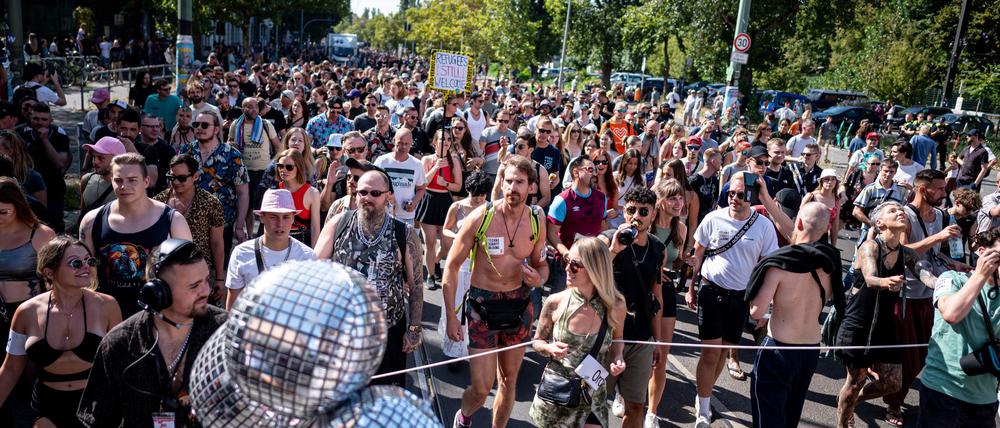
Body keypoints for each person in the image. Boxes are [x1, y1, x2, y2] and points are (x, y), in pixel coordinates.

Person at [444, 155, 548, 428]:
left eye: (520, 182)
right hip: (482, 304)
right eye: (508, 181)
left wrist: (538, 278)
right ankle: (464, 415)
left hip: (519, 304)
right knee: (481, 388)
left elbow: (542, 265)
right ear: (501, 183)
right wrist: (453, 318)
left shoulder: (537, 220)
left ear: (531, 187)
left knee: (509, 380)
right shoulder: (481, 216)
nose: (513, 187)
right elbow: (451, 268)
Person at [76, 239, 227, 427]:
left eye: (207, 280)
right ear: (157, 291)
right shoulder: (119, 343)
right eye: (194, 286)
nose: (206, 290)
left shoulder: (227, 333)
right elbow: (97, 420)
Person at [686, 173, 779, 427]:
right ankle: (703, 408)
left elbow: (767, 267)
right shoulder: (713, 219)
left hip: (739, 299)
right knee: (709, 354)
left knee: (722, 352)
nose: (735, 199)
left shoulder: (764, 226)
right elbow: (699, 254)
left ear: (752, 196)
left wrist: (761, 304)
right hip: (711, 292)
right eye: (730, 194)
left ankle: (703, 392)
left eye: (740, 194)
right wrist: (691, 288)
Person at [315, 169, 424, 387]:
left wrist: (413, 328)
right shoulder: (339, 223)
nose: (367, 198)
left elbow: (417, 284)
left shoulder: (404, 233)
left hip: (388, 332)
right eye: (362, 192)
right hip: (344, 331)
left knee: (384, 397)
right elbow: (314, 271)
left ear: (388, 196)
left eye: (375, 193)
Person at [0, 236, 122, 428]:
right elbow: (10, 369)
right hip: (47, 407)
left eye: (89, 261)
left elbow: (120, 363)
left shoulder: (106, 305)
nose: (86, 267)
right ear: (49, 272)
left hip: (95, 404)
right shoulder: (27, 312)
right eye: (75, 263)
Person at [880, 169, 967, 426]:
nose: (944, 193)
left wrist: (954, 263)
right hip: (907, 294)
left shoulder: (939, 214)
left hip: (932, 294)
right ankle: (893, 404)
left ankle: (893, 392)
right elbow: (905, 251)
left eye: (944, 188)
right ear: (922, 189)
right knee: (908, 354)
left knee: (923, 352)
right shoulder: (904, 215)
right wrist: (938, 237)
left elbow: (933, 255)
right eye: (939, 189)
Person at [746, 202, 842, 428]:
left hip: (778, 348)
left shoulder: (780, 263)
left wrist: (772, 313)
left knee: (767, 417)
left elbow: (756, 311)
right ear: (827, 228)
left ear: (798, 222)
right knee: (791, 415)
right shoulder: (830, 262)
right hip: (809, 349)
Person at [79, 153, 192, 318]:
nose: (124, 186)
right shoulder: (92, 221)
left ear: (146, 181)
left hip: (156, 314)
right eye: (118, 180)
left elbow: (188, 272)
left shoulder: (172, 220)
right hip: (105, 314)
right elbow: (84, 273)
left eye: (132, 180)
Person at [530, 237, 627, 428]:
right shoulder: (555, 302)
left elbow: (618, 339)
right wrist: (549, 348)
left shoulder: (615, 305)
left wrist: (618, 357)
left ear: (594, 268)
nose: (567, 269)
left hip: (592, 395)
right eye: (567, 262)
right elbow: (537, 342)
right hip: (557, 394)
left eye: (575, 265)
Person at [835, 201, 916, 428]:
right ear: (879, 223)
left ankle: (852, 402)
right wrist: (885, 281)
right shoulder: (870, 246)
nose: (900, 212)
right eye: (893, 211)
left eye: (901, 211)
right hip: (859, 322)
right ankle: (842, 421)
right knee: (854, 382)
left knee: (892, 383)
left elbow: (927, 275)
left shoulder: (906, 254)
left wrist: (948, 285)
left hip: (885, 324)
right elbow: (870, 278)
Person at [595, 186, 664, 427]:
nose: (637, 216)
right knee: (591, 400)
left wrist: (657, 340)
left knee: (636, 405)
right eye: (631, 210)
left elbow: (657, 296)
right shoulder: (608, 238)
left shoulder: (657, 249)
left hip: (640, 338)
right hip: (604, 336)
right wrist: (614, 248)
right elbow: (587, 272)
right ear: (624, 212)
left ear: (653, 215)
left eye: (643, 211)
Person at [917, 229, 1000, 427]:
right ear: (982, 252)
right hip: (943, 391)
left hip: (984, 399)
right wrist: (980, 274)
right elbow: (952, 314)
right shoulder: (952, 278)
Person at [224, 188, 315, 310]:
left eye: (286, 217)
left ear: (293, 218)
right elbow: (232, 308)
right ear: (262, 217)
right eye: (273, 217)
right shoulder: (241, 254)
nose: (280, 224)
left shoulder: (308, 257)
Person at [154, 154, 226, 306]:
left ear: (195, 176)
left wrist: (219, 278)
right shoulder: (158, 202)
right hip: (165, 272)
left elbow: (217, 243)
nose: (175, 182)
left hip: (199, 273)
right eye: (171, 177)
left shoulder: (211, 203)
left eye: (181, 178)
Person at [644, 179, 688, 427]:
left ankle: (652, 412)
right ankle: (621, 392)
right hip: (642, 291)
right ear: (660, 201)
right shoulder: (646, 224)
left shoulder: (680, 229)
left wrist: (686, 263)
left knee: (661, 353)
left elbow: (676, 262)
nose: (678, 203)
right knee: (638, 346)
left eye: (680, 198)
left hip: (668, 290)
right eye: (672, 198)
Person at [179, 112, 249, 260]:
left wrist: (239, 225)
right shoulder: (186, 151)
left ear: (216, 129)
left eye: (205, 125)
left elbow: (243, 192)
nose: (199, 128)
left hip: (222, 223)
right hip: (190, 222)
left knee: (220, 271)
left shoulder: (232, 155)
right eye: (196, 125)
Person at [0, 177, 57, 360]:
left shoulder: (40, 235)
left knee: (26, 371)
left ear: (17, 206)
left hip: (29, 313)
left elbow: (56, 280)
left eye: (3, 212)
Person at [548, 156, 607, 295]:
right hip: (566, 264)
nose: (594, 173)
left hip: (591, 261)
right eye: (590, 169)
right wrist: (566, 254)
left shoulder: (601, 198)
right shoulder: (562, 200)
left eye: (595, 170)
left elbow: (604, 227)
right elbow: (551, 233)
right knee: (560, 308)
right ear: (576, 172)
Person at [418, 129, 464, 288]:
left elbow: (458, 187)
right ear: (434, 142)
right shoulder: (426, 159)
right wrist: (435, 167)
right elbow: (423, 182)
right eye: (441, 139)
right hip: (429, 199)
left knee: (447, 244)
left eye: (448, 139)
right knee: (430, 242)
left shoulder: (454, 161)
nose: (445, 141)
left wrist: (445, 183)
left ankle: (437, 260)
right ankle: (430, 276)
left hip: (445, 200)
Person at [17, 103, 70, 233]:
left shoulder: (59, 134)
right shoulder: (20, 133)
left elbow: (60, 163)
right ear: (30, 118)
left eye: (44, 119)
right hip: (27, 186)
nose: (39, 123)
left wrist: (45, 140)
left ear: (50, 120)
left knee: (54, 224)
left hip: (53, 186)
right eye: (36, 119)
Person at [373, 128, 426, 227]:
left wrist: (413, 203)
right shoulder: (381, 161)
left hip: (406, 216)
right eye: (400, 143)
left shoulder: (417, 164)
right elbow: (373, 184)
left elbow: (421, 188)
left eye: (407, 144)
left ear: (411, 143)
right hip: (383, 214)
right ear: (394, 140)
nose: (403, 147)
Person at [275, 149, 320, 246]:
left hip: (302, 246)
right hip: (277, 245)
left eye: (289, 167)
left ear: (299, 168)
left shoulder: (312, 193)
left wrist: (315, 257)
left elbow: (315, 228)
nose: (283, 170)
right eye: (280, 166)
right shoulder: (274, 190)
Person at [136, 114, 176, 196]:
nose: (155, 130)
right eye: (150, 127)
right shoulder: (134, 144)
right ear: (140, 128)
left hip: (159, 195)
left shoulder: (168, 150)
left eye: (157, 126)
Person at [801, 169, 842, 245]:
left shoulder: (837, 200)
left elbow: (835, 225)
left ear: (836, 182)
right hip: (807, 235)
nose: (830, 182)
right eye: (826, 179)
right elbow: (799, 218)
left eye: (833, 179)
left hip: (823, 239)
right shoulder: (810, 197)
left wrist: (833, 246)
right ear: (821, 181)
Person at [480, 109, 518, 182]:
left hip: (505, 173)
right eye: (500, 120)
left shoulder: (513, 135)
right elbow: (481, 153)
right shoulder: (487, 132)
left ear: (509, 121)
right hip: (488, 173)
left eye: (506, 121)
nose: (503, 123)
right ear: (496, 120)